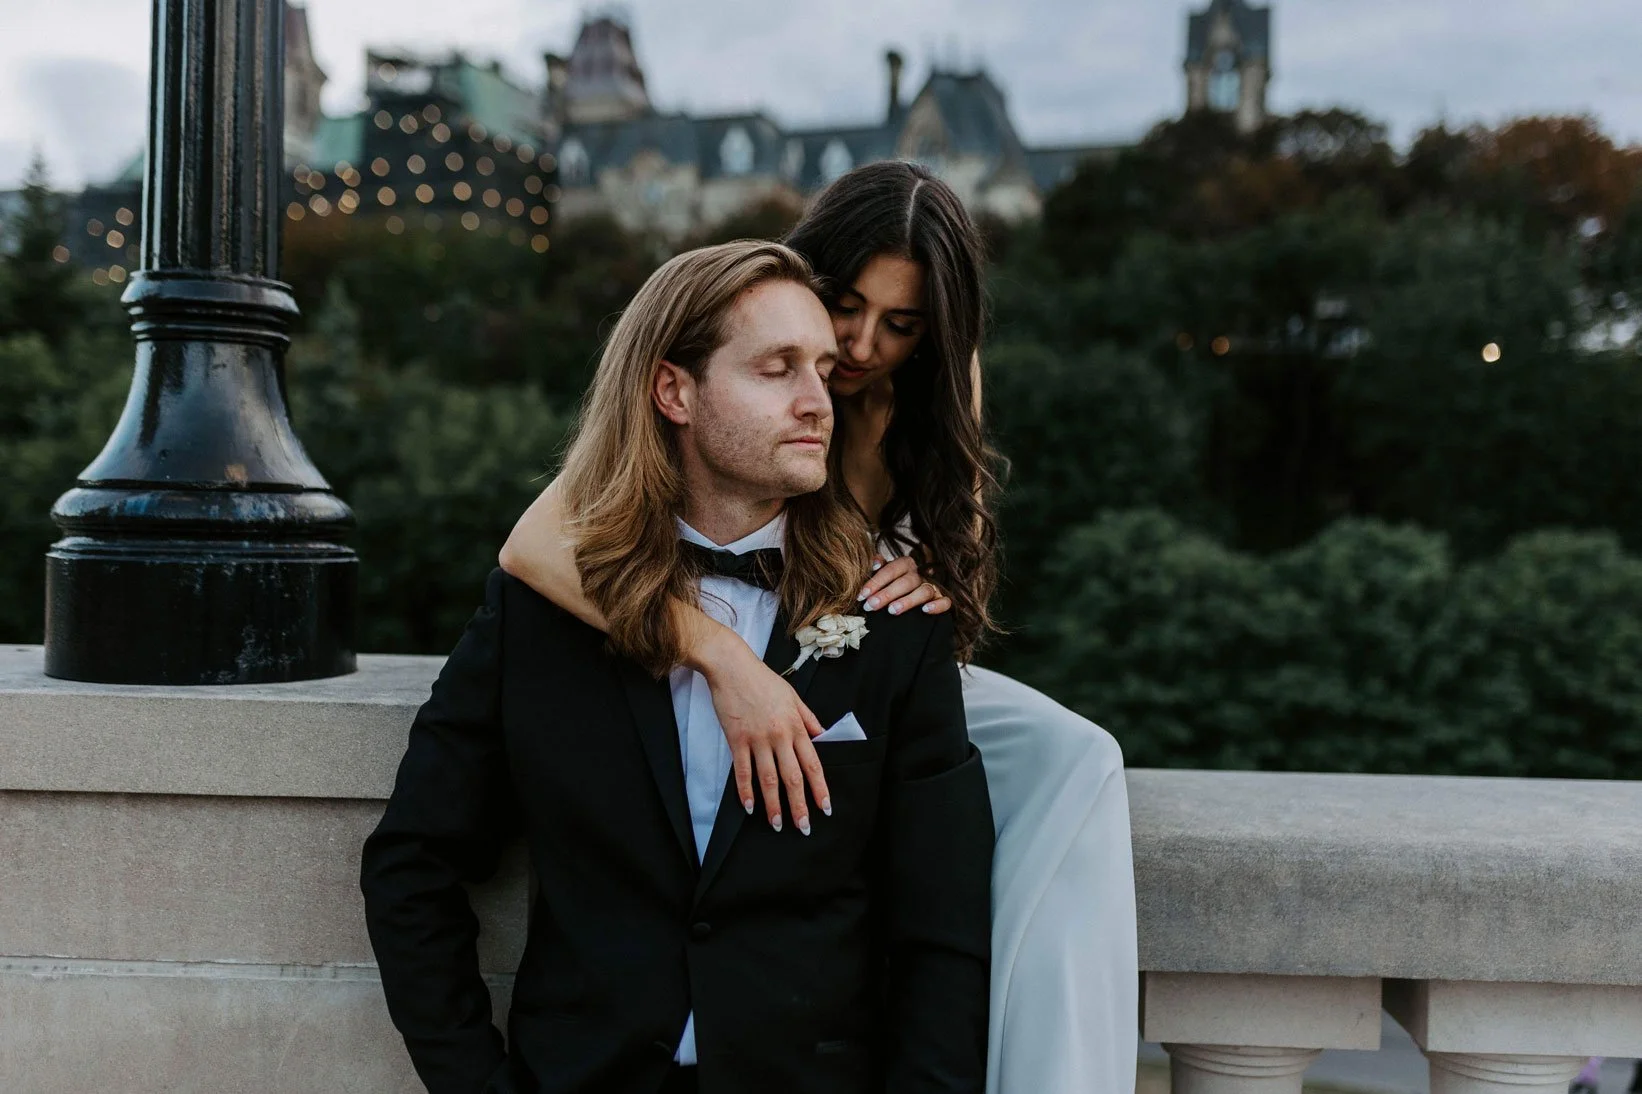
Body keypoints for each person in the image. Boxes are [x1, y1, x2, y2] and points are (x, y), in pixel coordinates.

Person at [499, 162, 1139, 1094]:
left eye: (902, 325)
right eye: (848, 303)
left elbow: (951, 573)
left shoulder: (938, 391)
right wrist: (718, 655)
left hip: (869, 664)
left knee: (1075, 758)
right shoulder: (736, 347)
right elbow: (531, 546)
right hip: (715, 632)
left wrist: (927, 578)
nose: (861, 344)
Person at [361, 240, 994, 1094]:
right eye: (777, 369)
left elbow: (943, 933)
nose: (820, 400)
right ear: (674, 390)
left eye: (822, 367)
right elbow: (413, 867)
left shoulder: (895, 624)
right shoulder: (537, 612)